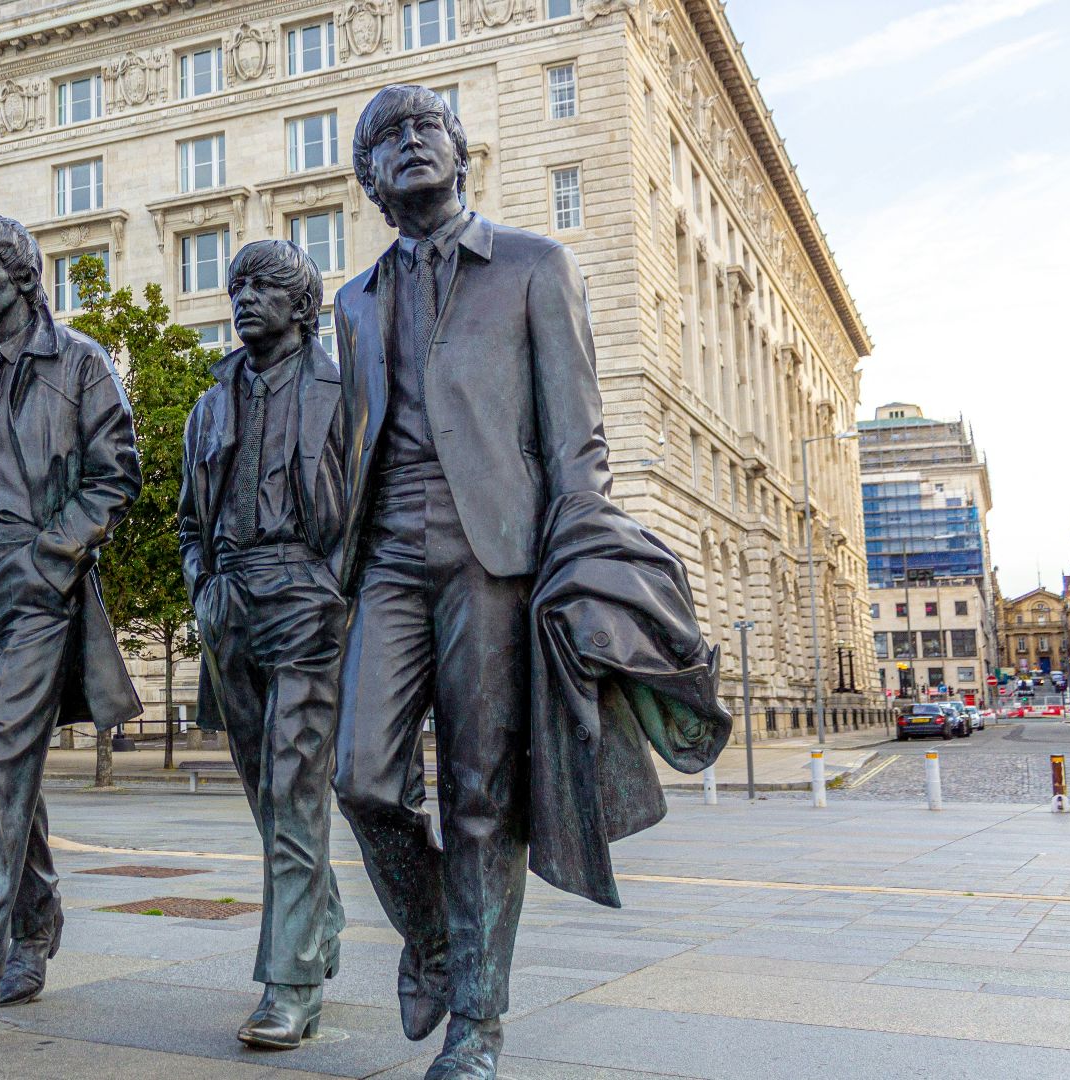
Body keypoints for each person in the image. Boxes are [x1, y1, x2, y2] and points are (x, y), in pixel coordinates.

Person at [331, 84, 709, 1080]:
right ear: (368, 179)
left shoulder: (537, 267)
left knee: (479, 795)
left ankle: (478, 1027)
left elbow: (577, 436)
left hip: (498, 556)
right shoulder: (352, 301)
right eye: (385, 139)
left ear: (463, 155)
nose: (409, 144)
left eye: (426, 130)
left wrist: (578, 558)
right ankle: (439, 941)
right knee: (361, 777)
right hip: (388, 561)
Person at [0, 213, 141, 1030]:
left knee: (6, 762)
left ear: (21, 276)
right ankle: (36, 922)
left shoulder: (79, 363)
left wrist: (56, 555)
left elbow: (118, 475)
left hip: (36, 580)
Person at [177, 239, 347, 1050]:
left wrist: (332, 585)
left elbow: (373, 501)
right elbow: (188, 519)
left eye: (266, 286)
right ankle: (319, 920)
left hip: (306, 599)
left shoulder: (343, 389)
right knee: (267, 795)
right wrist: (201, 586)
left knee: (294, 785)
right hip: (230, 603)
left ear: (302, 305)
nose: (244, 297)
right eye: (238, 285)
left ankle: (290, 985)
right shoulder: (210, 402)